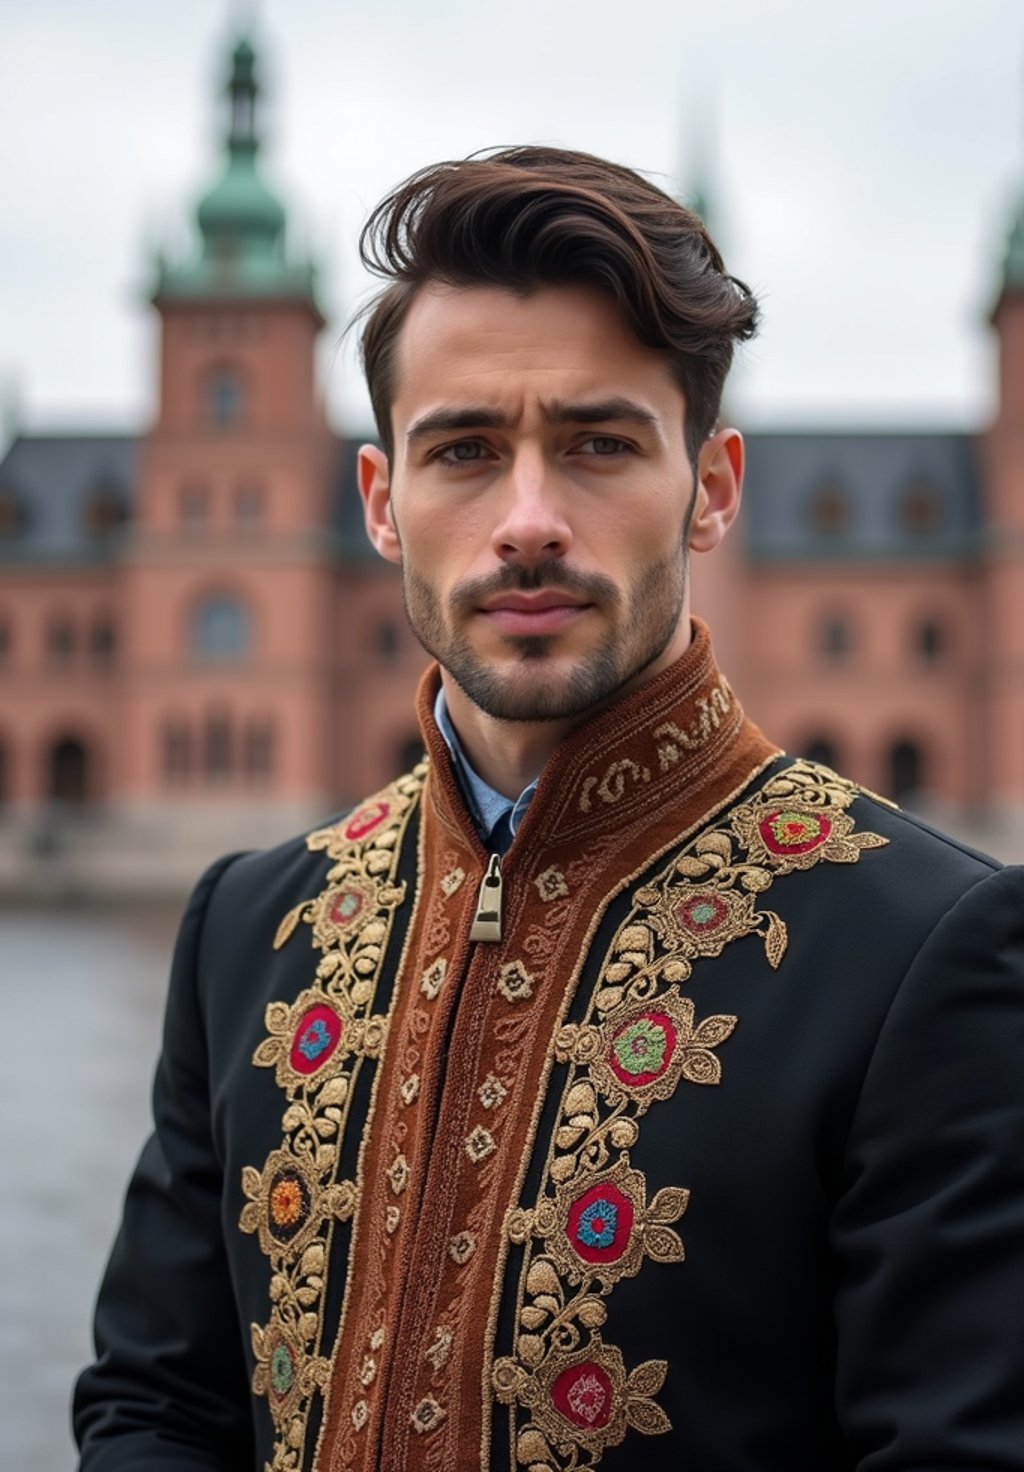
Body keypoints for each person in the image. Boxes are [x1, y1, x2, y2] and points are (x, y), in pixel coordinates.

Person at [74, 147, 1024, 1472]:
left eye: (597, 445)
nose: (528, 519)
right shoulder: (249, 929)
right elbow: (157, 1406)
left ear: (713, 491)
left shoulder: (930, 948)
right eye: (462, 449)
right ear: (380, 504)